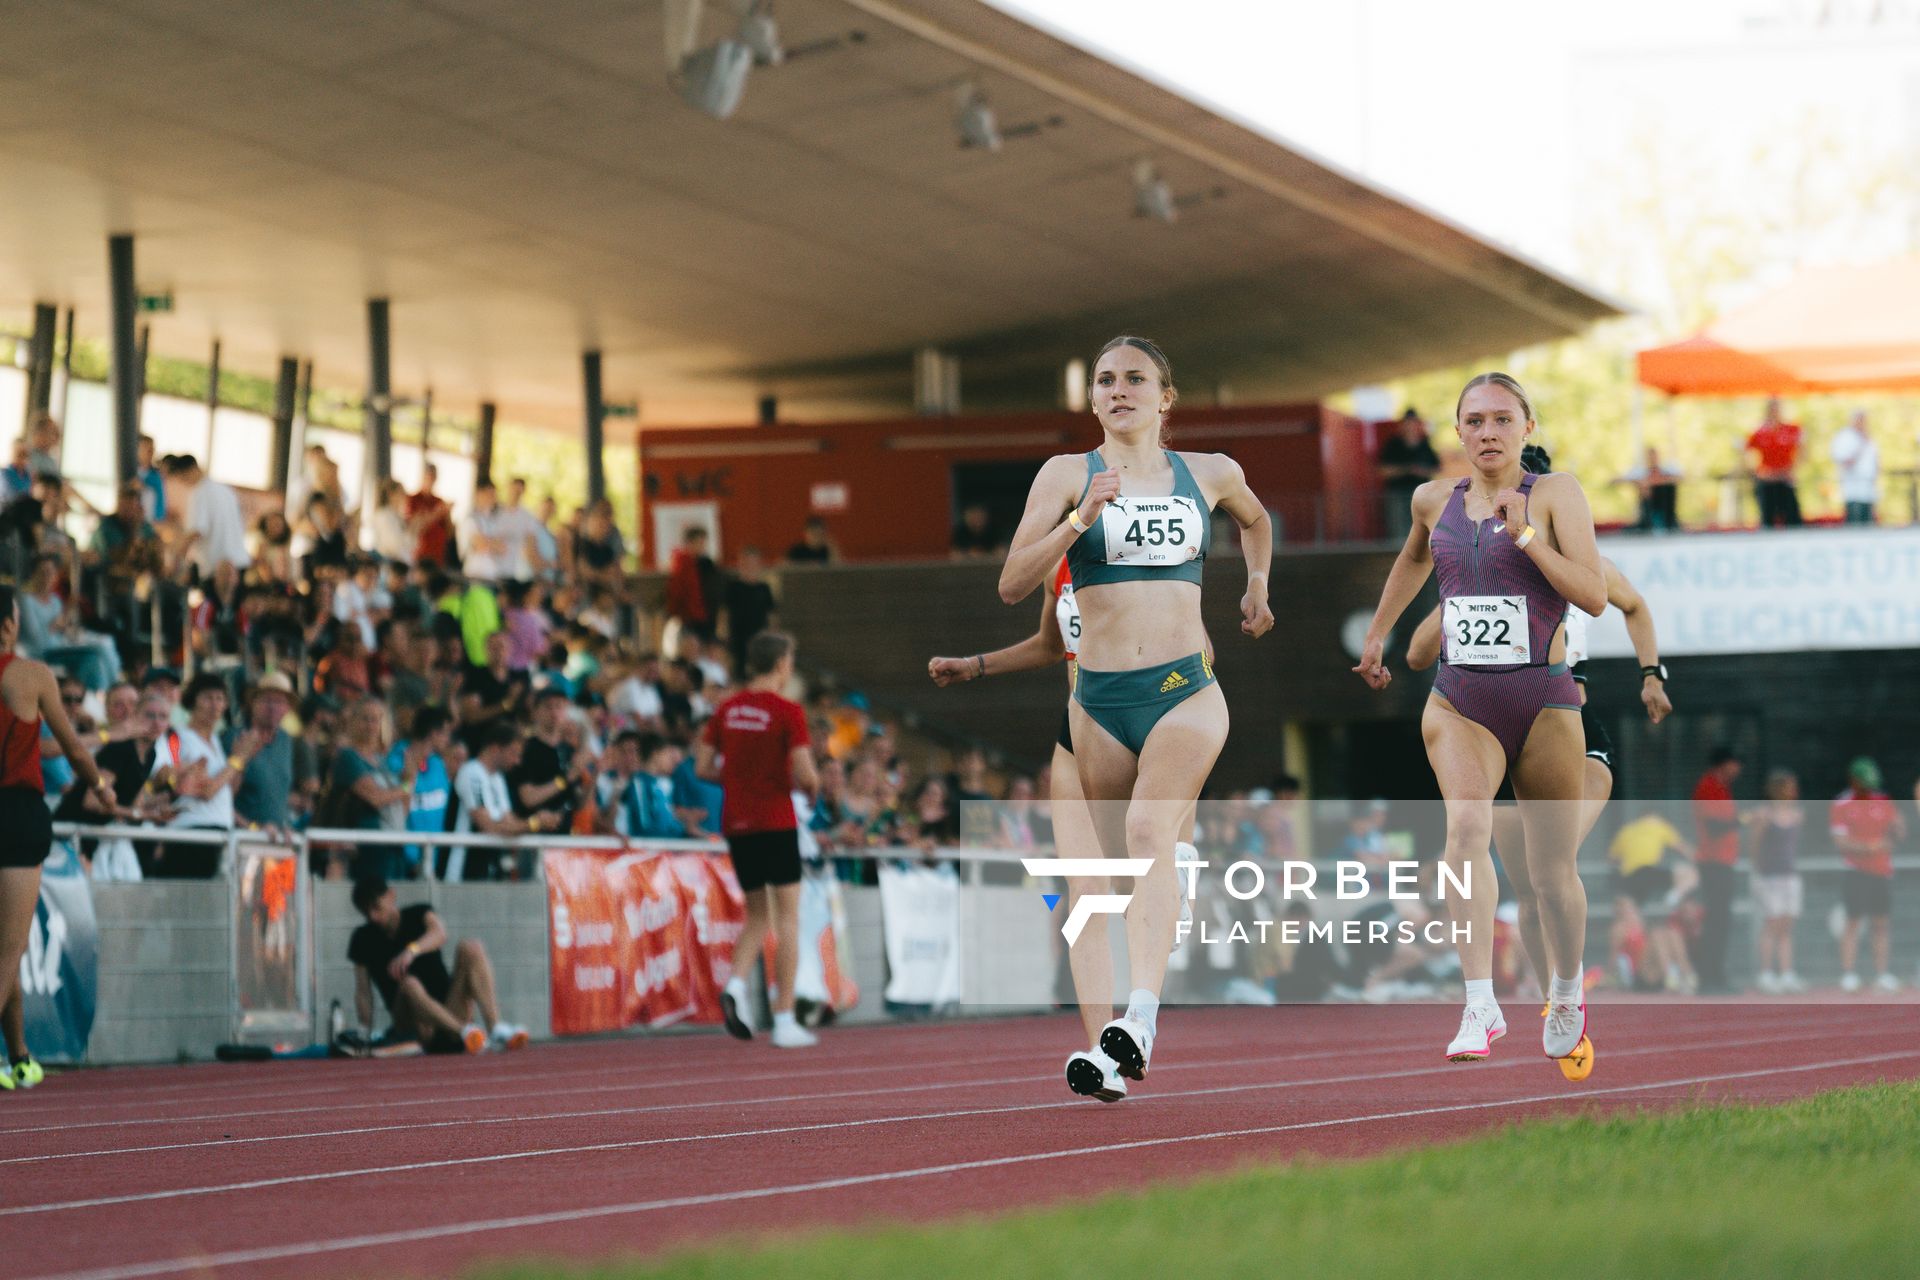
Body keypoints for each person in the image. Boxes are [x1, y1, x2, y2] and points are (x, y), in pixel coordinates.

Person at [998, 335, 1274, 1090]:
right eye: (1105, 380)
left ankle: (1140, 1019)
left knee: (1149, 832)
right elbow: (1013, 584)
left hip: (1186, 687)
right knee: (1122, 878)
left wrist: (1257, 585)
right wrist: (1078, 519)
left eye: (1135, 379)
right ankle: (1114, 1055)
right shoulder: (1065, 474)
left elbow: (1257, 520)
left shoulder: (1210, 472)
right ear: (1091, 399)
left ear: (1164, 398)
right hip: (1099, 703)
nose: (1119, 390)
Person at [1355, 372, 1605, 1071]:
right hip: (1461, 698)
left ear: (1526, 427)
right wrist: (1379, 633)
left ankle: (1565, 990)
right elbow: (1411, 560)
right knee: (1464, 828)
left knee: (1550, 872)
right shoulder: (1433, 498)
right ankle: (1478, 1001)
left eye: (1501, 420)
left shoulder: (1557, 495)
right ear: (1457, 432)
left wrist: (1526, 539)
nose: (1487, 433)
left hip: (1546, 699)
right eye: (1474, 421)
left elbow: (1593, 596)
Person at [1405, 443, 1673, 1018]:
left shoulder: (1583, 567)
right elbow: (1418, 652)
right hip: (1496, 725)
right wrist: (1456, 604)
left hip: (1571, 722)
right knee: (1528, 885)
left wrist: (1652, 675)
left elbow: (1634, 608)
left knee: (1553, 865)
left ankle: (1571, 983)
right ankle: (1552, 993)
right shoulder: (1476, 572)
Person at [0, 584, 114, 1091]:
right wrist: (101, 789)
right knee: (8, 948)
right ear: (12, 624)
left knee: (9, 947)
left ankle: (21, 1056)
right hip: (17, 814)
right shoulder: (31, 674)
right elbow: (73, 749)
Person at [695, 631, 821, 1049]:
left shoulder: (727, 709)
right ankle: (784, 1016)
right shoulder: (787, 710)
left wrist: (737, 779)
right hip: (776, 820)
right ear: (782, 663)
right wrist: (812, 786)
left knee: (756, 915)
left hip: (737, 822)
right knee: (788, 919)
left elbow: (702, 766)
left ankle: (735, 985)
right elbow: (804, 773)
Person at [347, 876, 527, 1053]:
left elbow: (440, 933)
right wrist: (364, 1031)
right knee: (410, 984)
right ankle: (465, 1032)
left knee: (471, 948)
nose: (373, 917)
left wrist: (411, 950)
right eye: (366, 912)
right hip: (415, 1025)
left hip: (449, 1008)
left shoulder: (419, 913)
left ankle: (495, 1028)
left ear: (391, 896)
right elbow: (363, 992)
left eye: (376, 908)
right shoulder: (362, 938)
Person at [1830, 756, 1904, 993]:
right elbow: (1841, 842)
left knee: (1881, 924)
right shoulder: (1841, 804)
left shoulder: (1884, 800)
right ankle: (1848, 973)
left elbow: (1897, 831)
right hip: (1856, 872)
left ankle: (1882, 973)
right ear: (1853, 780)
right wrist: (1870, 847)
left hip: (1881, 871)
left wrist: (1893, 835)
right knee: (1853, 923)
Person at [447, 722, 544, 881]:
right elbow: (488, 826)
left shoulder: (497, 778)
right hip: (462, 872)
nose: (517, 761)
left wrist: (535, 821)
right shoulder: (471, 773)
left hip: (488, 870)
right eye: (513, 753)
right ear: (495, 748)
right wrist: (534, 823)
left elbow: (509, 822)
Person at [1745, 768, 1806, 994]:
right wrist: (1758, 871)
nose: (1795, 790)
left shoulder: (1797, 815)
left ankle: (1787, 973)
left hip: (1789, 875)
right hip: (1768, 876)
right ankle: (1766, 973)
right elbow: (1754, 846)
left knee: (1787, 926)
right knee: (1771, 924)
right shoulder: (1764, 815)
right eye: (1790, 786)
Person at [1689, 746, 1743, 994]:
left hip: (1724, 861)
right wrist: (1740, 821)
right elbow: (1713, 827)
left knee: (1721, 920)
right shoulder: (1708, 786)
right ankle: (1708, 976)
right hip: (1713, 862)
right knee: (1715, 920)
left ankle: (1716, 974)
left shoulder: (1721, 788)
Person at [164, 454, 251, 577]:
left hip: (218, 568)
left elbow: (196, 531)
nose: (183, 483)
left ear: (189, 471)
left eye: (182, 478)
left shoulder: (199, 493)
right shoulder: (226, 490)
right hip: (239, 561)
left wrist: (177, 558)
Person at [1377, 409, 1440, 543]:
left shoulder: (1424, 444)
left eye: (1413, 423)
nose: (1411, 426)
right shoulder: (1393, 445)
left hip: (1420, 495)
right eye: (1408, 423)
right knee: (1398, 530)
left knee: (1421, 529)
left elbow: (1437, 467)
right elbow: (1383, 470)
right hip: (1397, 494)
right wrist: (1407, 469)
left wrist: (1422, 471)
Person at [1745, 398, 1802, 528]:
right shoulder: (1758, 432)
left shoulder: (1791, 429)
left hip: (1785, 478)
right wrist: (1758, 472)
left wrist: (1792, 470)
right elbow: (1747, 453)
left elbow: (1802, 450)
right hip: (1767, 480)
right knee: (1768, 518)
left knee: (1792, 518)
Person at [723, 548, 778, 677]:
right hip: (738, 639)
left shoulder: (764, 588)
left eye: (754, 563)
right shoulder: (733, 587)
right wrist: (724, 637)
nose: (750, 567)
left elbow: (772, 615)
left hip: (760, 638)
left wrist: (773, 636)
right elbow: (725, 612)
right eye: (747, 563)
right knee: (739, 673)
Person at [1616, 446, 1681, 533]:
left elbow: (1680, 477)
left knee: (1666, 487)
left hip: (1664, 501)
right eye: (1650, 456)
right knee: (1645, 487)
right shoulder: (1641, 471)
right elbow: (1619, 480)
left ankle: (1669, 521)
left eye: (1654, 456)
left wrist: (1654, 482)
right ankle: (1647, 521)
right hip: (1648, 501)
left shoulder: (1667, 470)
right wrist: (1640, 482)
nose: (1652, 459)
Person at [1829, 411, 1879, 525]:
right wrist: (1861, 447)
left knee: (1868, 521)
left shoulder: (1868, 437)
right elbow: (1845, 461)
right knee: (1855, 521)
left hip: (1869, 487)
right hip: (1853, 488)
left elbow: (1875, 459)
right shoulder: (1844, 437)